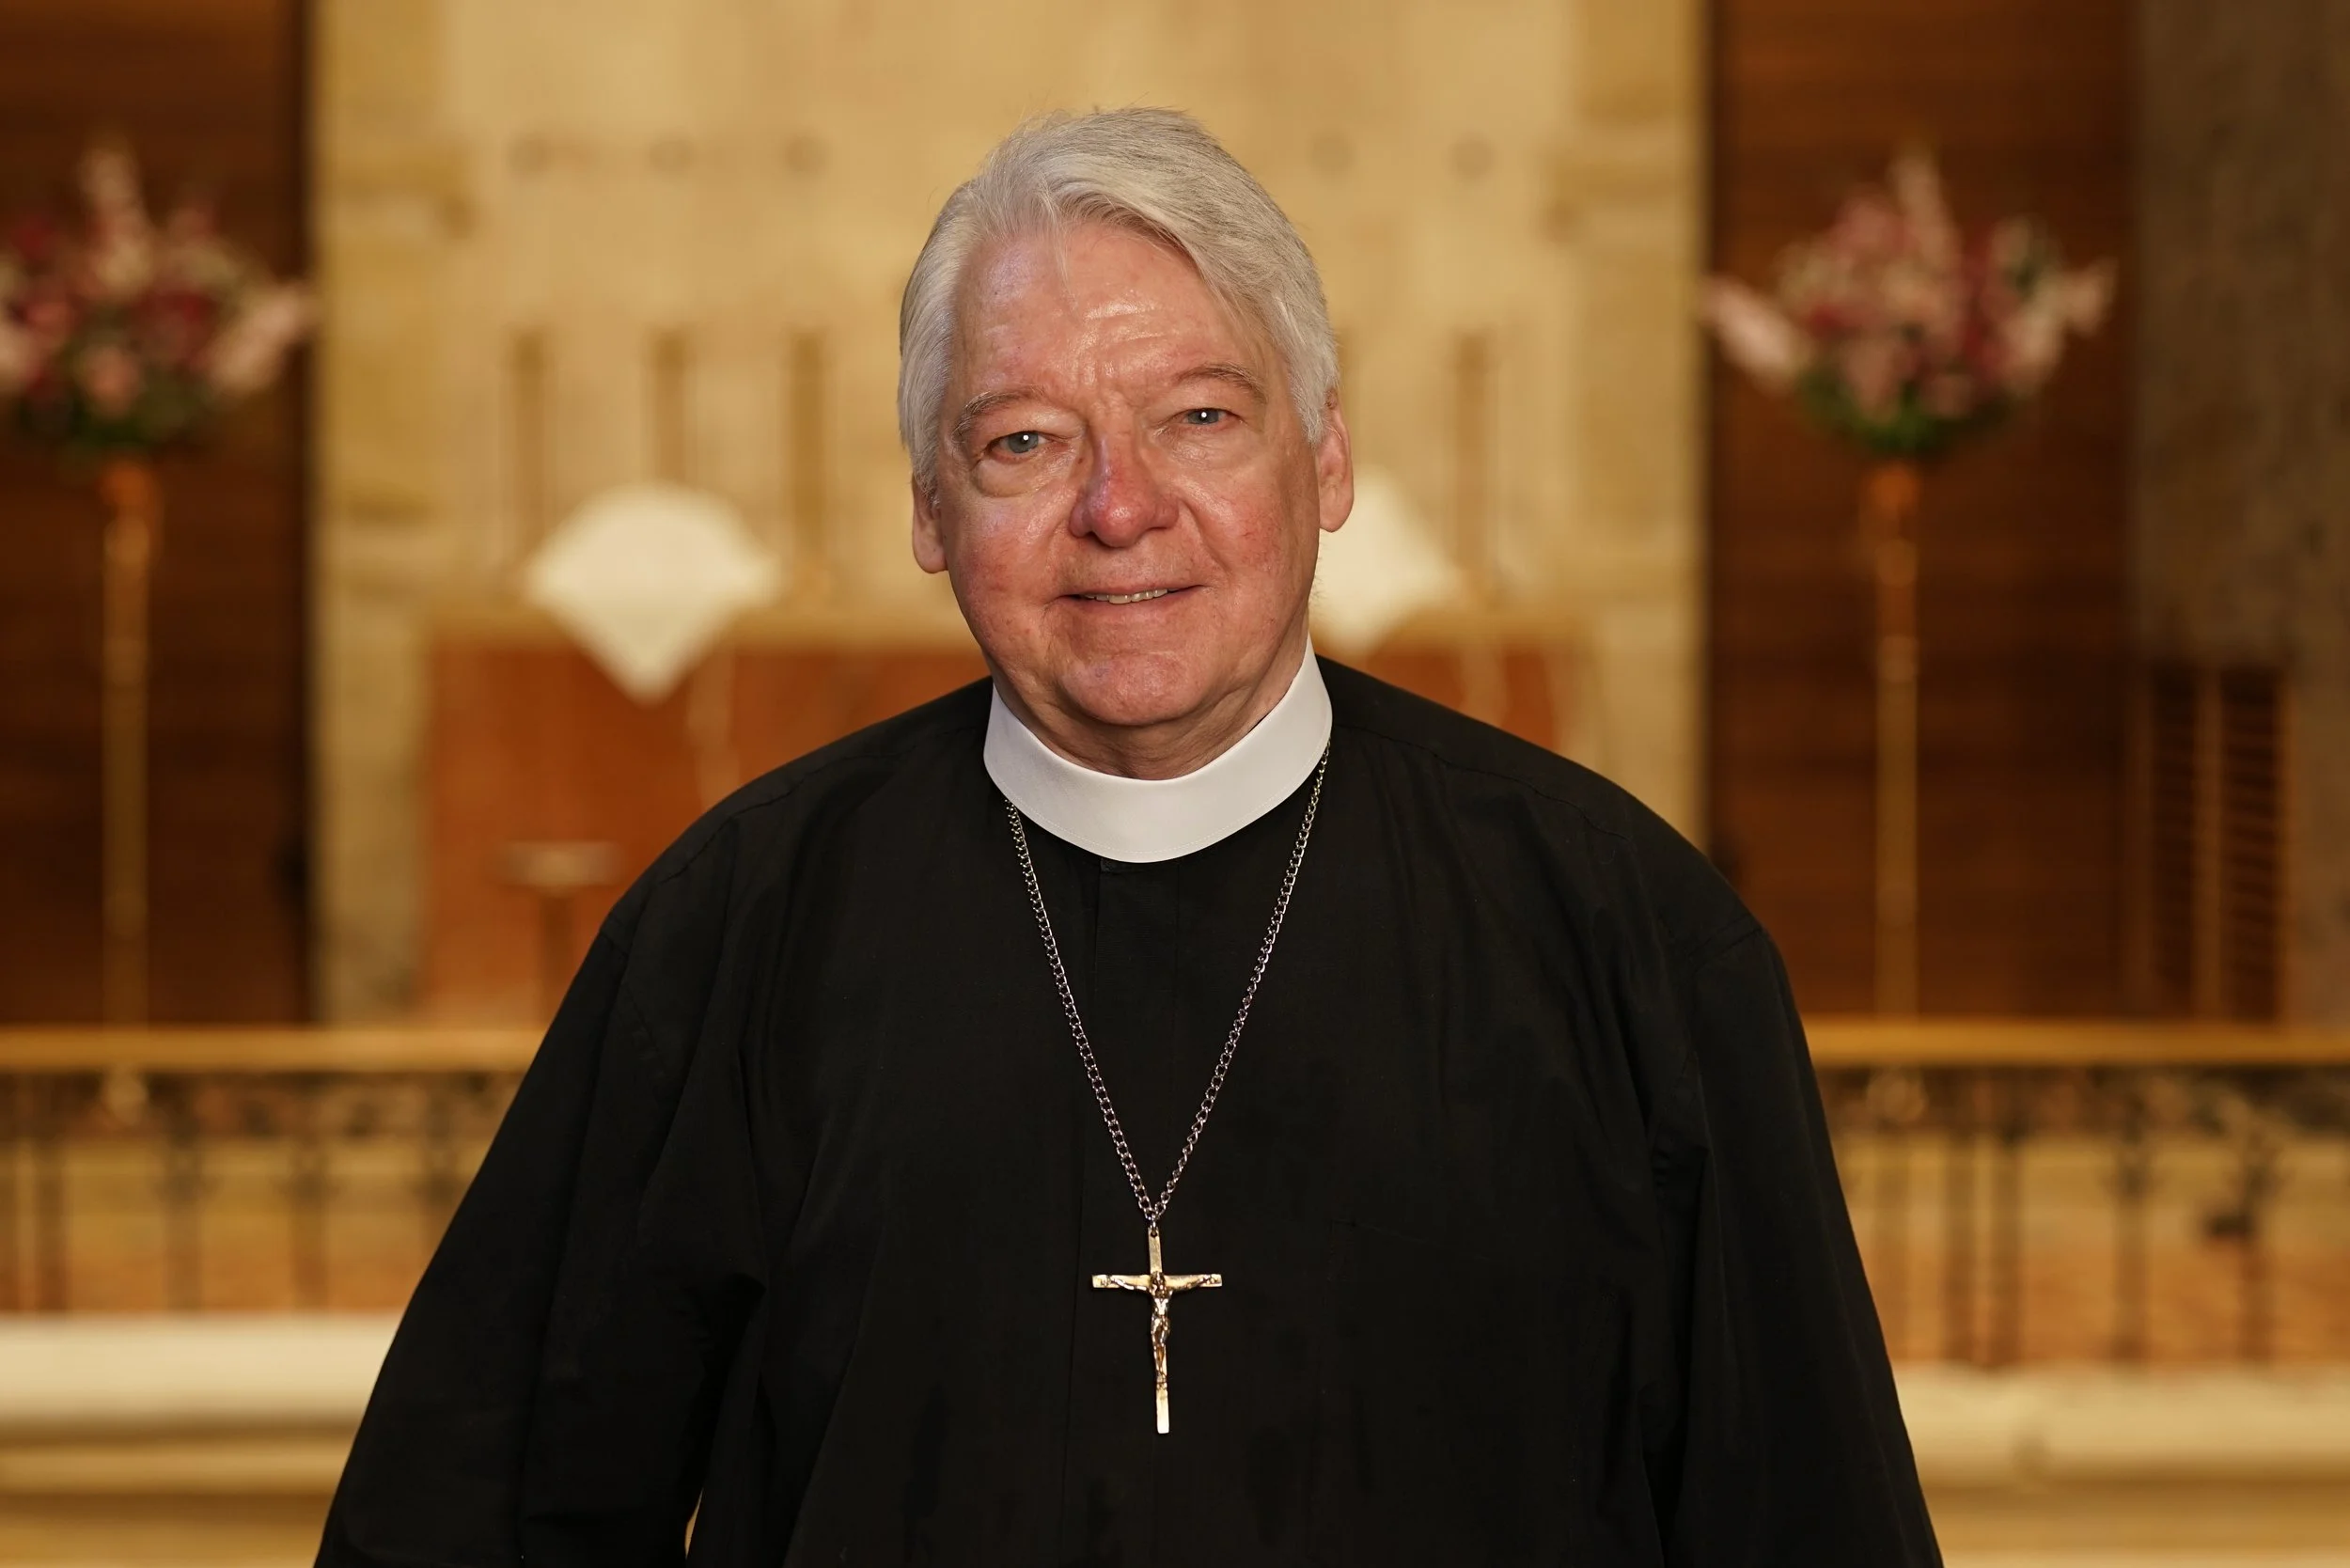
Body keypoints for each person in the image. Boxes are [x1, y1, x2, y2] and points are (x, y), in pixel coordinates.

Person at [320, 108, 1939, 1566]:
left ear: (1327, 459)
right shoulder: (738, 930)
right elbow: (485, 1508)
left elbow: (1804, 1519)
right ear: (931, 513)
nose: (1118, 507)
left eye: (1199, 419)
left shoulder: (1627, 936)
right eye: (1023, 441)